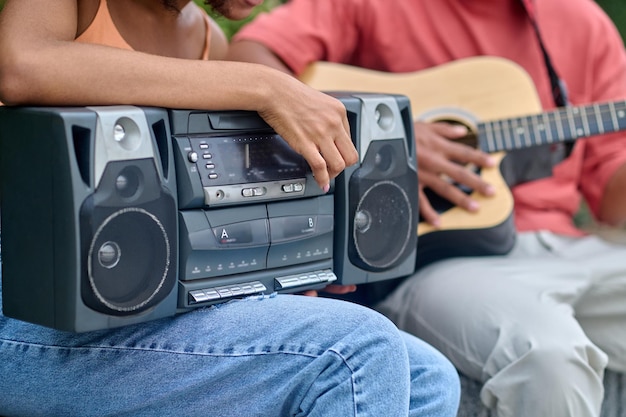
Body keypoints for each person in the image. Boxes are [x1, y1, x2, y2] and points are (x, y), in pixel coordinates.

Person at [0, 1, 463, 416]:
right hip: (29, 311)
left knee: (429, 378)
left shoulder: (204, 37)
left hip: (146, 303)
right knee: (356, 348)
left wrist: (283, 266)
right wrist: (262, 84)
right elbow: (21, 64)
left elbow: (192, 199)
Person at [226, 0, 626, 416]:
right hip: (436, 257)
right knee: (547, 356)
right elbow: (249, 58)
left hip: (569, 249)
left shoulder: (582, 21)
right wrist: (388, 137)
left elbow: (612, 198)